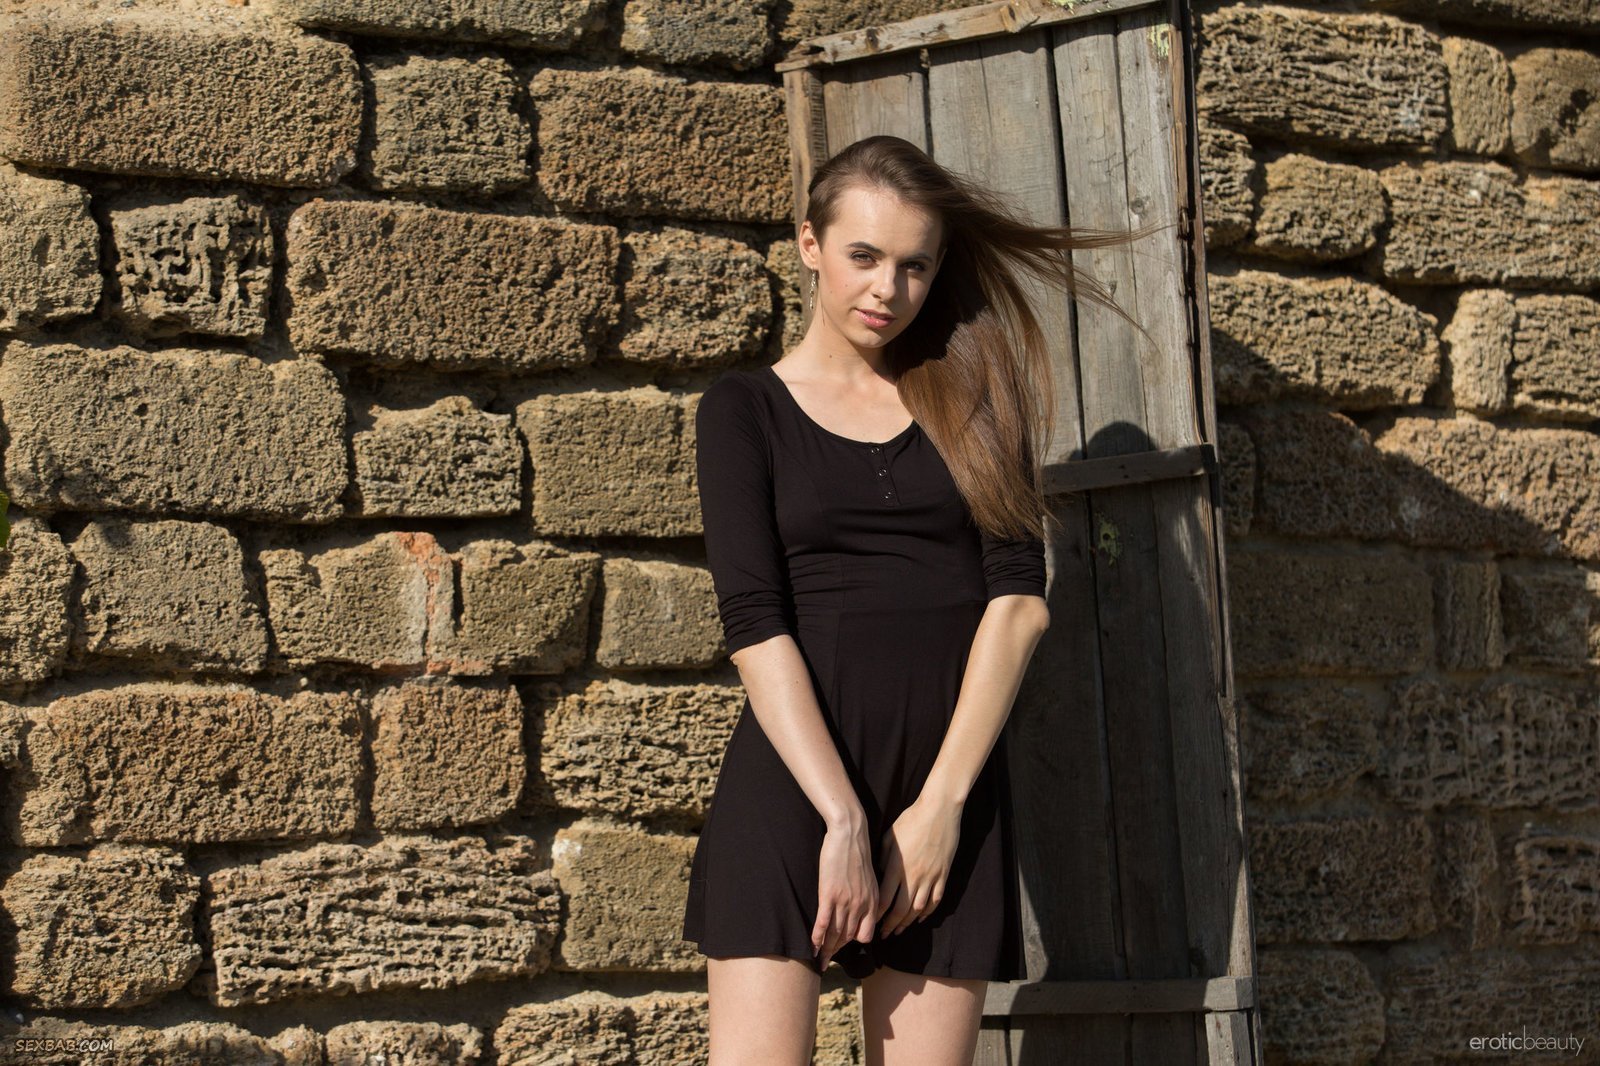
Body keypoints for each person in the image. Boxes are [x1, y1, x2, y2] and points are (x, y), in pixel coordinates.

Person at [682, 134, 1157, 1065]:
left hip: (946, 798)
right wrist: (841, 818)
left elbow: (1019, 602)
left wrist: (941, 806)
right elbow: (755, 623)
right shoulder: (743, 410)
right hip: (795, 790)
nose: (886, 290)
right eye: (863, 256)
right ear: (810, 244)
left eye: (913, 266)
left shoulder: (972, 400)